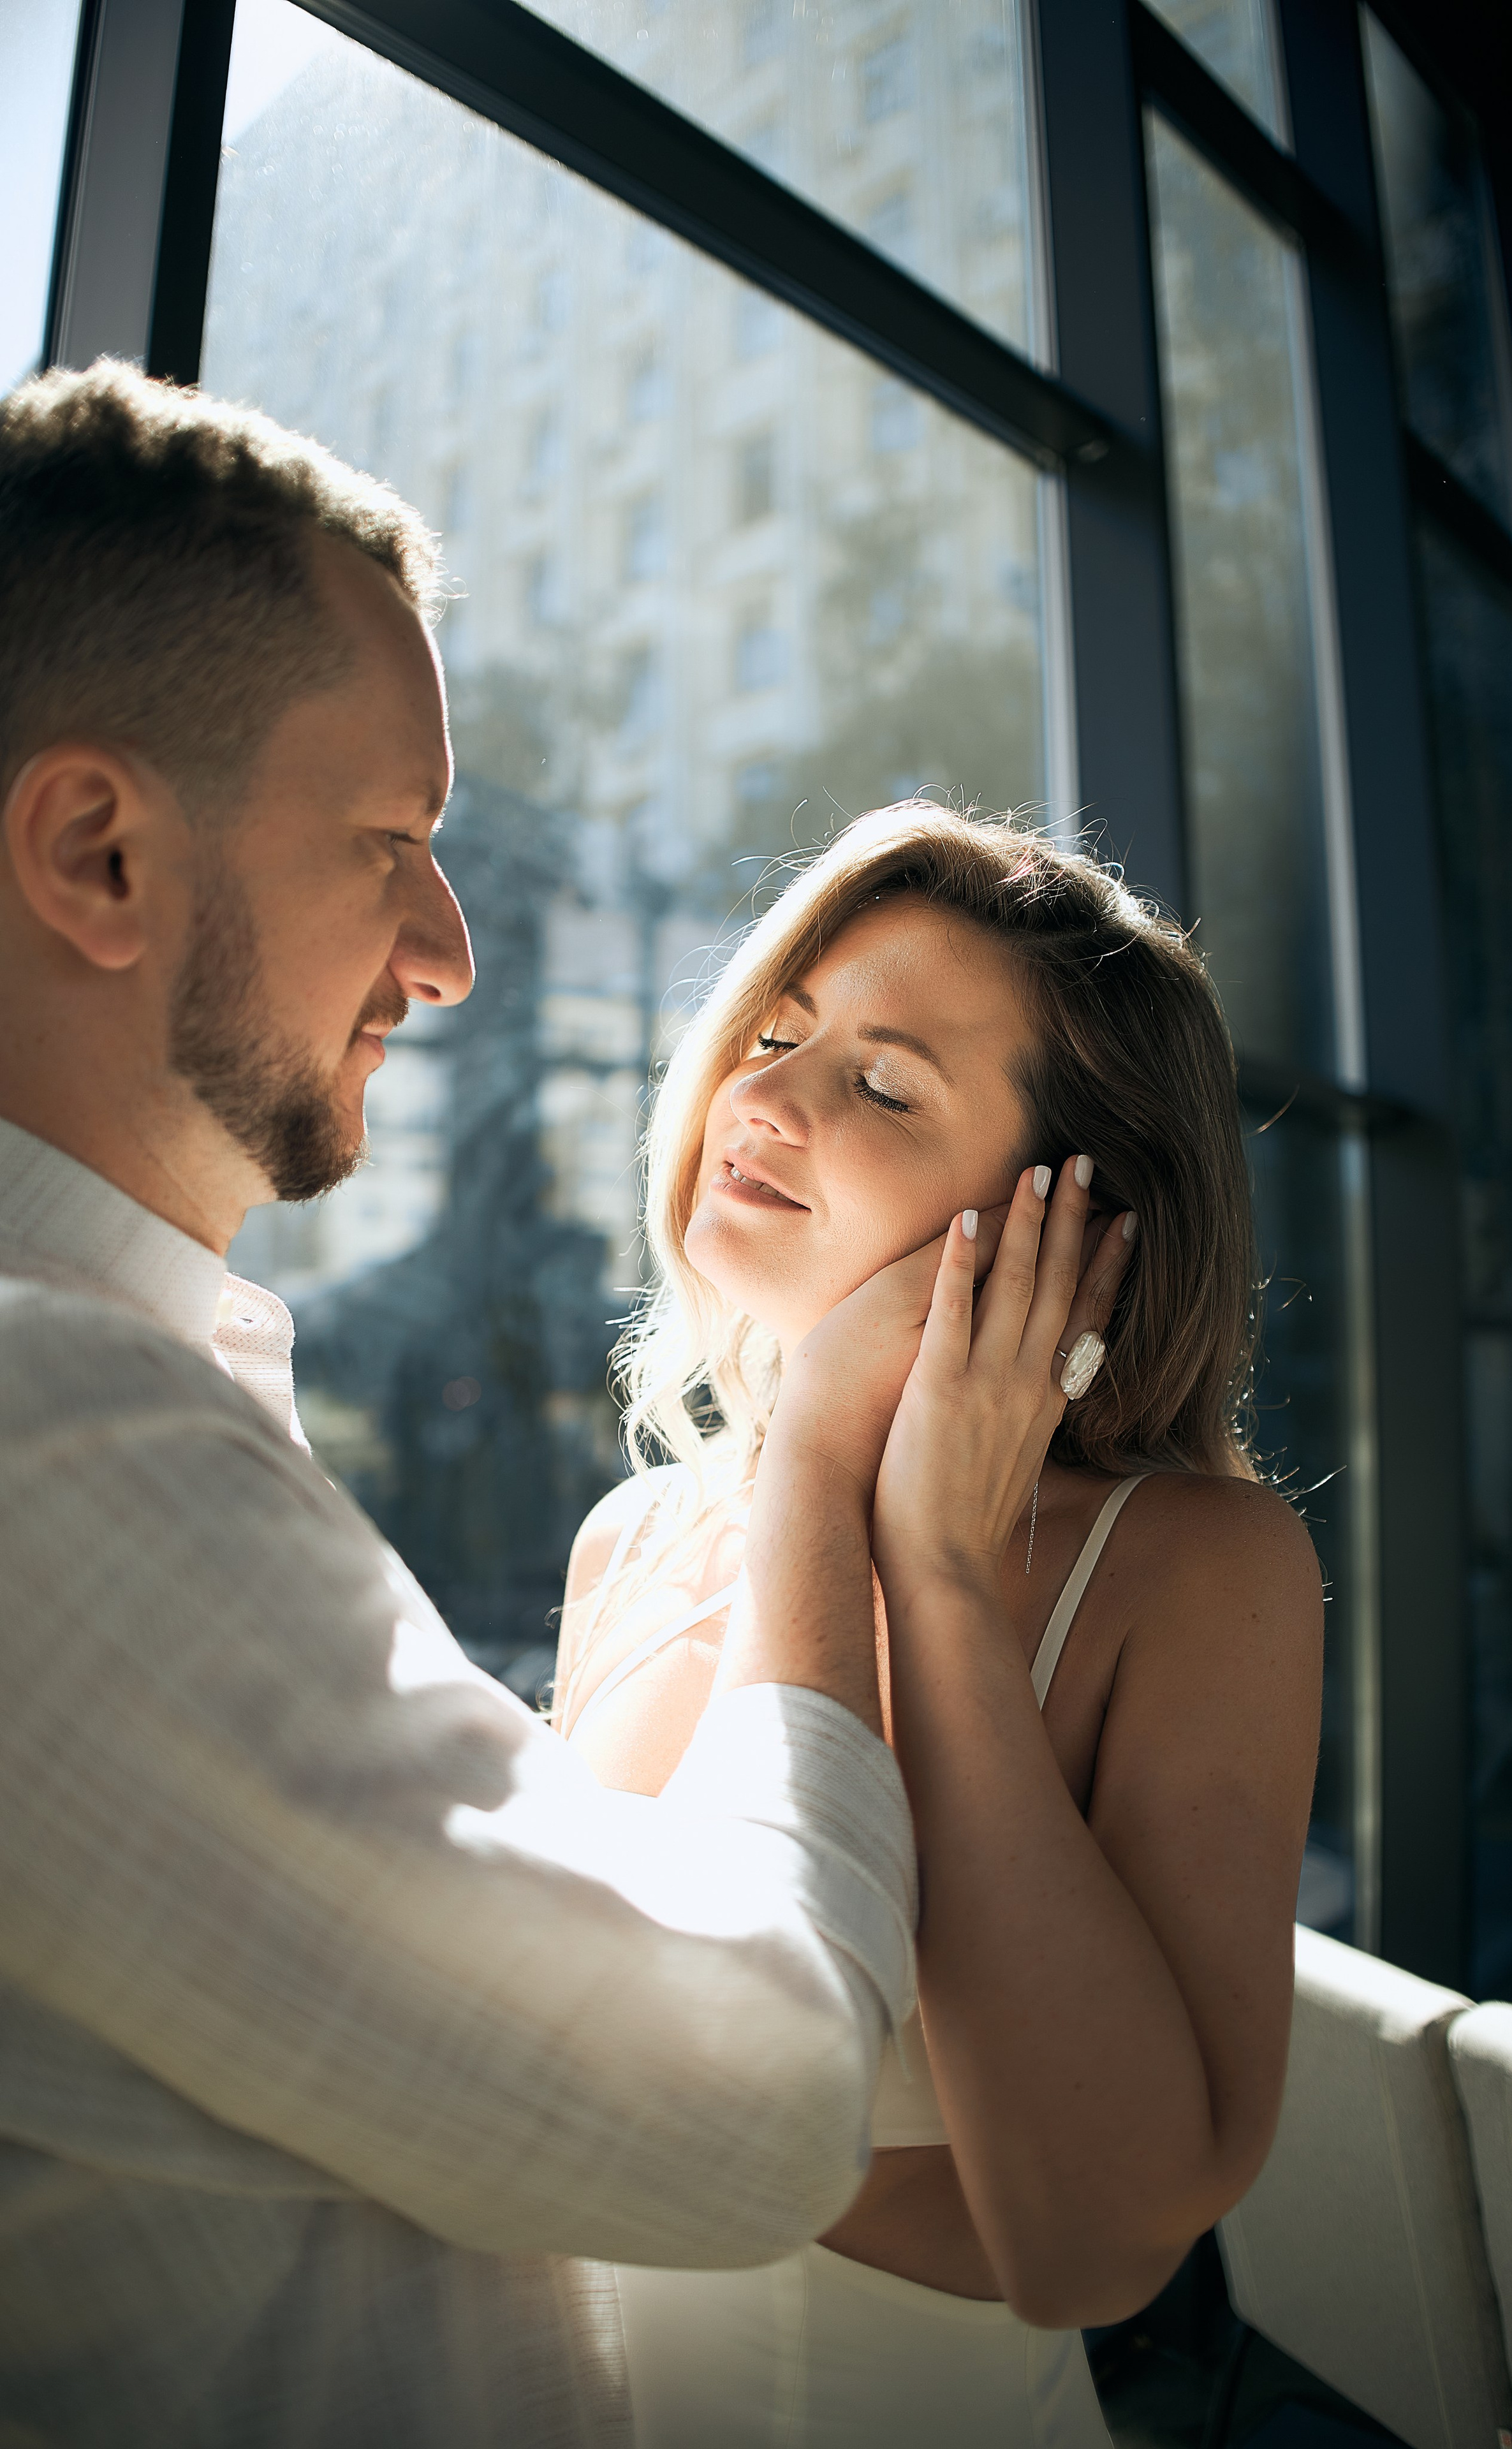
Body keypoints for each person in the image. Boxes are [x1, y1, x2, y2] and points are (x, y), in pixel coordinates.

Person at [0, 363, 920, 2448]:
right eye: (390, 842)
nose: (451, 952)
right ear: (96, 853)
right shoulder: (45, 1439)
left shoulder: (115, 1393)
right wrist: (821, 1496)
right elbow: (765, 2105)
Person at [553, 806, 1325, 2446]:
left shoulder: (1197, 1571)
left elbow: (1093, 2246)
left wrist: (944, 1584)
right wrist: (823, 1440)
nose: (760, 1101)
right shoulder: (628, 1542)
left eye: (881, 1084)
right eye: (775, 1035)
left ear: (1071, 1220)